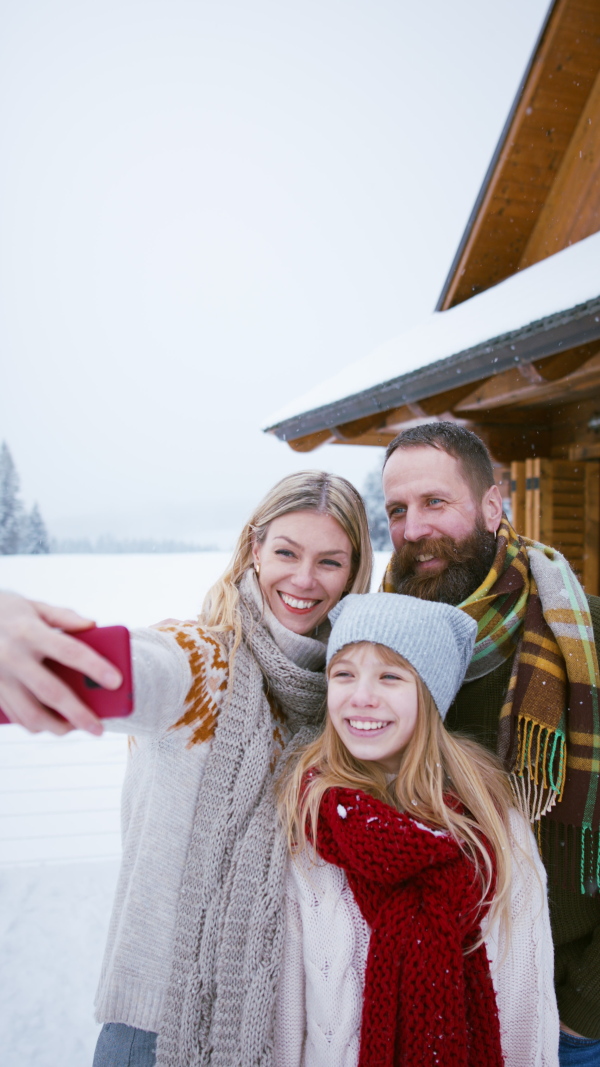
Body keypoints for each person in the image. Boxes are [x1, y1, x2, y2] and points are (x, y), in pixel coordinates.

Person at [0, 470, 373, 1067]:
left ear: (354, 572)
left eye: (330, 562)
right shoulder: (205, 667)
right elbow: (136, 667)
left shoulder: (349, 696)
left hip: (279, 1036)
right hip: (152, 1036)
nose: (304, 579)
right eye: (286, 552)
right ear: (254, 549)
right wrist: (15, 631)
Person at [379, 422, 600, 1067]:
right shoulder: (378, 650)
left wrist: (587, 1007)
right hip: (430, 1005)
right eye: (398, 509)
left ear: (493, 506)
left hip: (566, 1018)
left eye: (435, 502)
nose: (414, 528)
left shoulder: (581, 636)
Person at [275, 592, 559, 1066]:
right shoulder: (309, 822)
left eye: (390, 676)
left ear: (430, 694)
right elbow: (285, 1017)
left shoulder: (492, 824)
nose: (361, 696)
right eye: (343, 674)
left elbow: (528, 1004)